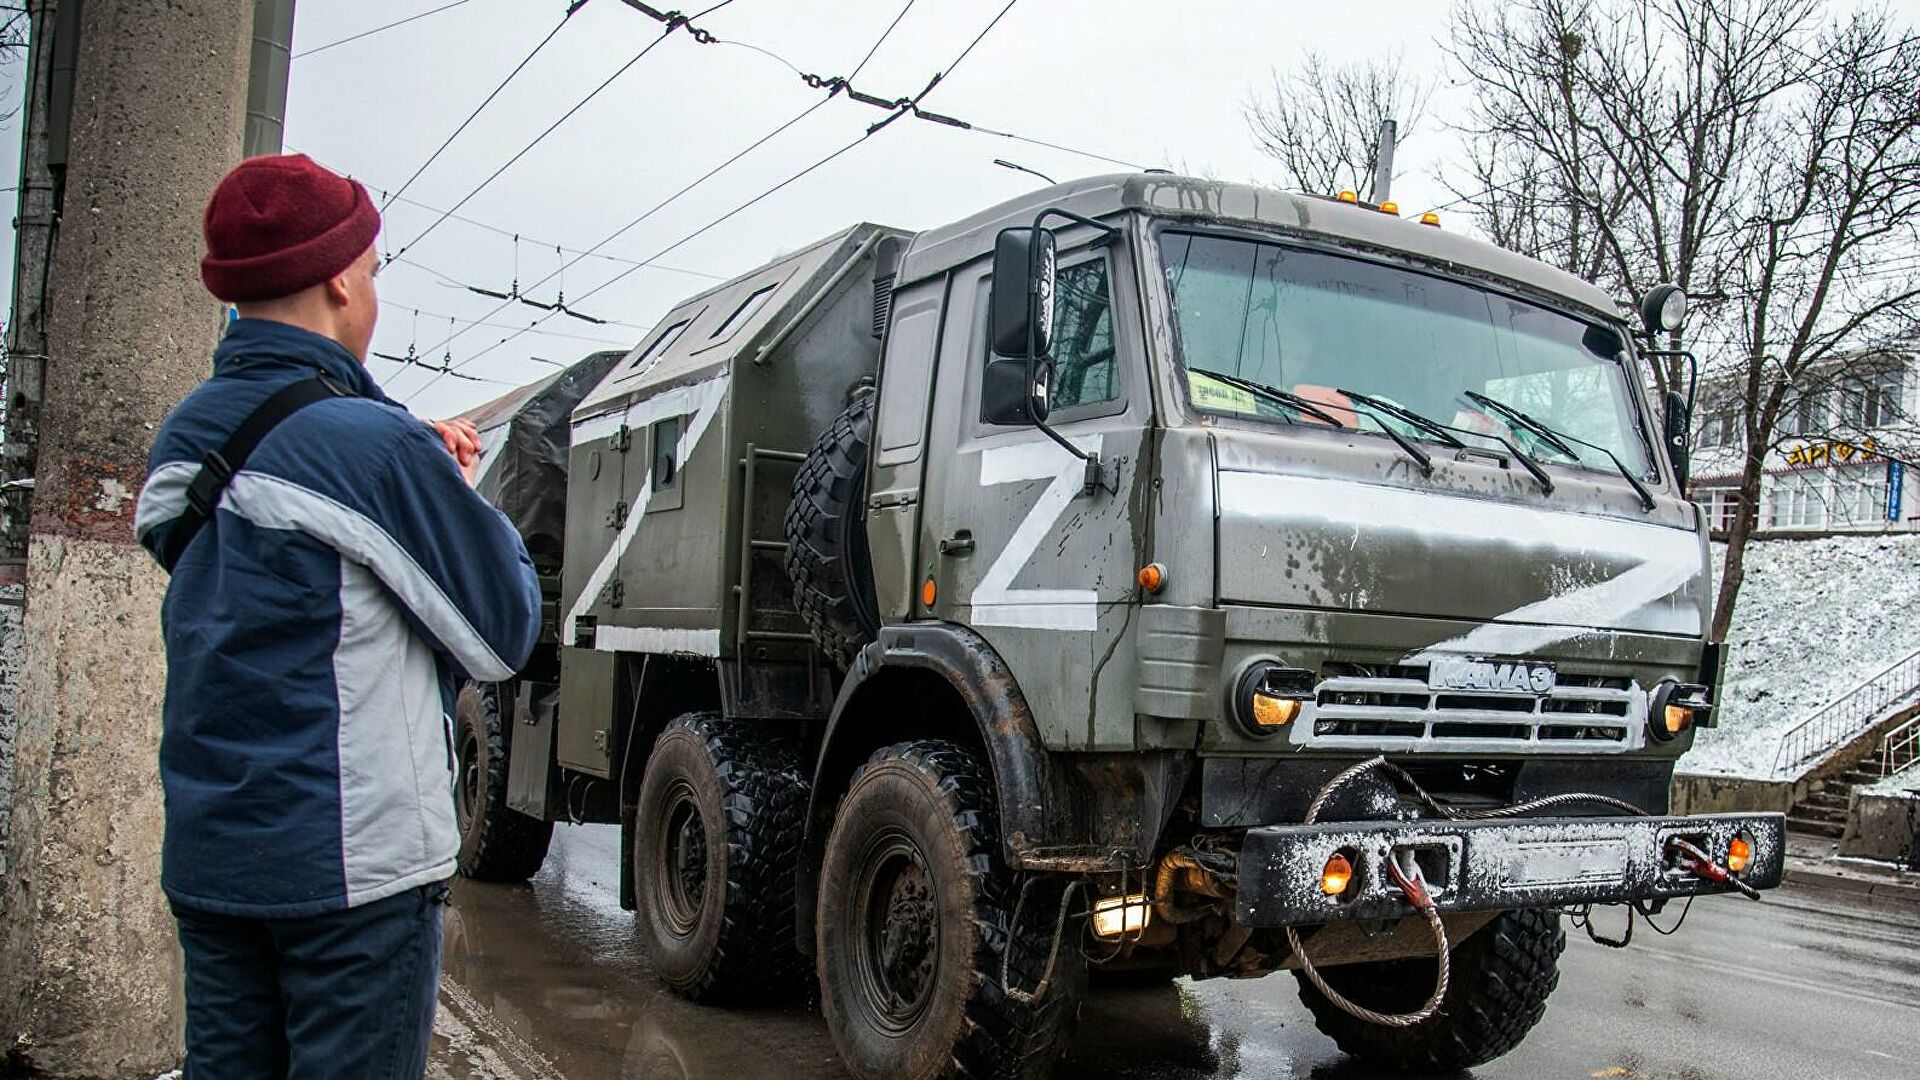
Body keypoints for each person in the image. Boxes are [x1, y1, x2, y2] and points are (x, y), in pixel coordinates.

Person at [133, 153, 543, 1079]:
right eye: (373, 268)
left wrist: (399, 449)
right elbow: (502, 630)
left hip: (214, 855)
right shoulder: (377, 451)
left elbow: (281, 564)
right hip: (352, 879)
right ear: (339, 278)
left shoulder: (186, 440)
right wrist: (444, 486)